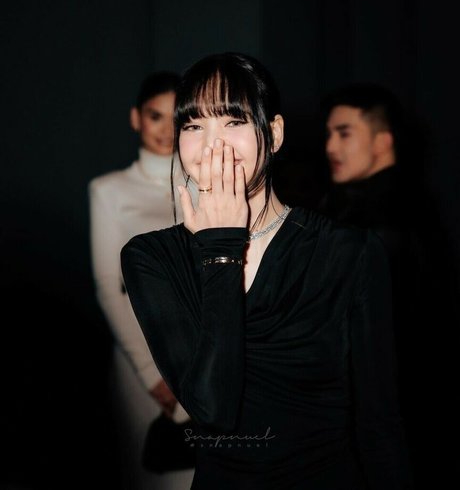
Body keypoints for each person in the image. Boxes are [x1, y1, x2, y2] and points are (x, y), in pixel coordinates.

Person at [120, 53, 413, 489]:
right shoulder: (151, 256)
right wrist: (220, 248)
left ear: (274, 134)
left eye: (233, 121)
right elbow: (213, 411)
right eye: (194, 126)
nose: (213, 145)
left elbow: (380, 425)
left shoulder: (346, 252)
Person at [316, 83, 460, 487]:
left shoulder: (385, 217)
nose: (330, 146)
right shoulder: (394, 205)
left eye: (344, 133)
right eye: (329, 134)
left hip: (393, 413)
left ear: (382, 141)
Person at [89, 71, 195, 490]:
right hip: (143, 359)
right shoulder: (109, 190)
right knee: (156, 476)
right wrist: (152, 375)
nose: (166, 129)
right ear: (136, 118)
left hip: (202, 355)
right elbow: (107, 287)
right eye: (155, 116)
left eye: (176, 118)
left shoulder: (204, 184)